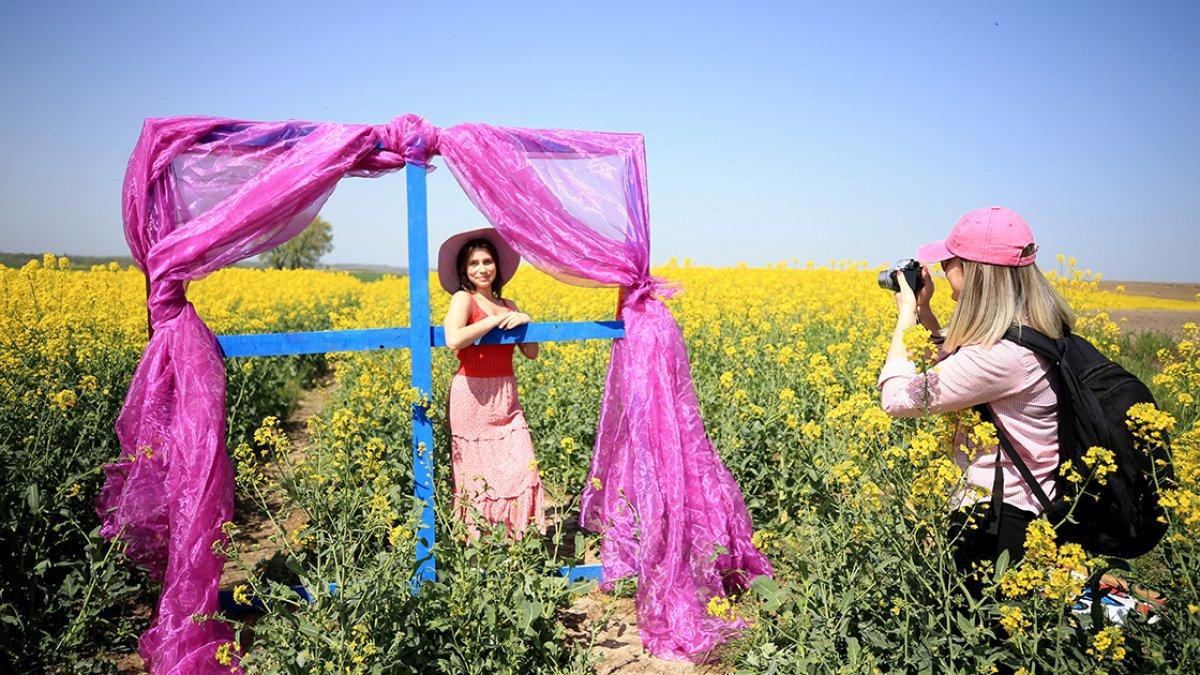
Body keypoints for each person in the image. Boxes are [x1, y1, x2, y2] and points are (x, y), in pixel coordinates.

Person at [877, 206, 1075, 585]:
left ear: (974, 272)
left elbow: (897, 399)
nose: (944, 269)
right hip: (1025, 504)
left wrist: (904, 319)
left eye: (949, 261)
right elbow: (955, 366)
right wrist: (925, 312)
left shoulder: (1003, 356)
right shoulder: (1032, 329)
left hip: (999, 518)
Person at [439, 227, 546, 539]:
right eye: (474, 264)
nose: (482, 269)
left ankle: (515, 539)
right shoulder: (464, 299)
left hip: (505, 396)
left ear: (496, 266)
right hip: (471, 395)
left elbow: (532, 353)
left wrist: (524, 319)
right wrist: (492, 321)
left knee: (522, 465)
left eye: (487, 261)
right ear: (464, 270)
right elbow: (453, 338)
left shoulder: (508, 303)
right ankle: (480, 545)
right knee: (476, 475)